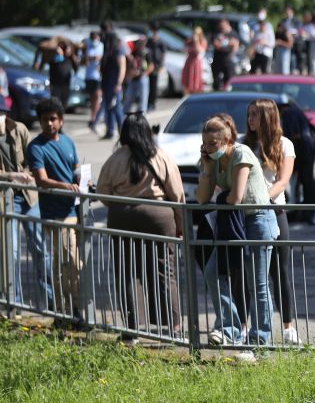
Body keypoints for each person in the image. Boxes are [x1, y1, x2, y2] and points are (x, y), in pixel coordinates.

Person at [97, 113, 185, 340]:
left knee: (127, 272)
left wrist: (121, 203)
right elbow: (176, 194)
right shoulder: (160, 155)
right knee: (164, 271)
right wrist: (180, 223)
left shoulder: (116, 158)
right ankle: (173, 326)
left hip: (122, 217)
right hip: (158, 217)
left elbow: (103, 193)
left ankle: (132, 329)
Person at [197, 114, 279, 346]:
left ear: (227, 140)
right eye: (205, 143)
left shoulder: (241, 153)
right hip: (235, 222)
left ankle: (260, 338)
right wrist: (206, 168)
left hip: (258, 220)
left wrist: (221, 195)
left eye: (213, 144)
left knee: (257, 283)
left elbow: (235, 197)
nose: (208, 148)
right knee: (213, 272)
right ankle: (229, 327)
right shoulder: (213, 160)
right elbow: (202, 198)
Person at [243, 99, 299, 344]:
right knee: (250, 274)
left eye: (255, 115)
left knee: (281, 271)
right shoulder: (245, 145)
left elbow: (282, 181)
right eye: (249, 114)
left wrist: (263, 199)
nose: (250, 119)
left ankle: (288, 327)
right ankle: (245, 326)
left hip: (274, 211)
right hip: (249, 215)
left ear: (267, 117)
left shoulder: (283, 144)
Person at [27, 98, 85, 321]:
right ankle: (67, 311)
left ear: (61, 120)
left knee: (69, 264)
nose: (49, 123)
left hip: (74, 211)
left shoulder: (68, 142)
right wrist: (66, 186)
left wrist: (81, 180)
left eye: (53, 119)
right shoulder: (36, 147)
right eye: (45, 120)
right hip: (55, 214)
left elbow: (75, 168)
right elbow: (41, 180)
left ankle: (70, 310)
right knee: (69, 262)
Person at [0, 97, 50, 306]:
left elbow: (34, 159)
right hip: (5, 199)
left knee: (40, 249)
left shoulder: (19, 129)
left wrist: (28, 174)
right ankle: (15, 303)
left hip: (29, 197)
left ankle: (50, 302)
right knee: (9, 253)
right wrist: (12, 176)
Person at [279, 101, 315, 224]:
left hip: (302, 152)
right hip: (308, 150)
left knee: (305, 184)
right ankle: (309, 213)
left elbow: (290, 135)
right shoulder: (297, 111)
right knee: (308, 184)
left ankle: (306, 213)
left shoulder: (288, 115)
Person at [100, 31, 127, 140]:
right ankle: (110, 130)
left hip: (114, 83)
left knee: (116, 107)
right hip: (107, 83)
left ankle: (122, 130)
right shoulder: (108, 51)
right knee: (108, 108)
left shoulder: (118, 51)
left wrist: (119, 83)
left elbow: (122, 67)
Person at [123, 38, 153, 113]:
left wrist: (143, 74)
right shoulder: (133, 54)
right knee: (128, 99)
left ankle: (141, 116)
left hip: (142, 79)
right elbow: (128, 67)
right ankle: (125, 115)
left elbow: (151, 66)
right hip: (133, 79)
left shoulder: (146, 53)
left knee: (143, 99)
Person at [81, 31, 103, 130]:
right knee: (92, 98)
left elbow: (102, 57)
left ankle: (95, 118)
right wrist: (89, 57)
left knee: (97, 96)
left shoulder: (101, 45)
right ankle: (93, 116)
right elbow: (83, 61)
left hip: (98, 76)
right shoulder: (87, 46)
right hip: (89, 76)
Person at [211, 19, 239, 91]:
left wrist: (223, 44)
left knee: (229, 80)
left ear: (227, 24)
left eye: (223, 25)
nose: (221, 27)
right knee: (216, 81)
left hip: (228, 60)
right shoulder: (216, 33)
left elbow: (235, 45)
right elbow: (216, 45)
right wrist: (228, 44)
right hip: (217, 60)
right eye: (220, 25)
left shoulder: (233, 33)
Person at [145, 23, 167, 111]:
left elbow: (163, 53)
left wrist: (161, 64)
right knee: (148, 85)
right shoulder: (149, 41)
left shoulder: (161, 41)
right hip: (148, 64)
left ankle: (152, 103)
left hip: (156, 66)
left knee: (153, 86)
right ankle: (148, 102)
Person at [182, 26, 206, 95]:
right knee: (188, 82)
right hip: (189, 62)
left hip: (196, 63)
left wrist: (196, 41)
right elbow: (184, 49)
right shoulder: (189, 41)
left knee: (196, 83)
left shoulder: (202, 41)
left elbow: (199, 51)